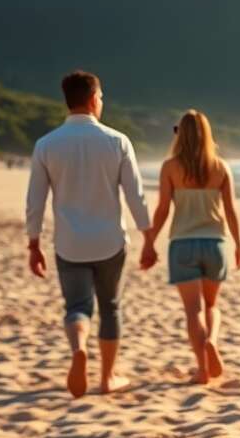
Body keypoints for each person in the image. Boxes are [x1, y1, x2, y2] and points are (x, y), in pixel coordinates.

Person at [25, 70, 151, 397]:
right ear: (94, 99)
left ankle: (79, 347)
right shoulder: (118, 141)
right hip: (110, 241)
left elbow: (35, 200)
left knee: (77, 306)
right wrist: (148, 237)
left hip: (69, 243)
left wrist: (33, 243)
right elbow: (135, 194)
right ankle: (107, 378)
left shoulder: (46, 145)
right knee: (110, 306)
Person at [140, 110, 240, 383]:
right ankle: (212, 339)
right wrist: (238, 246)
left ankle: (202, 369)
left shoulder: (170, 167)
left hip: (183, 245)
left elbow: (162, 210)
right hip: (215, 243)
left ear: (180, 135)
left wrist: (149, 241)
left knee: (193, 311)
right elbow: (231, 211)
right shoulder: (221, 167)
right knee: (212, 305)